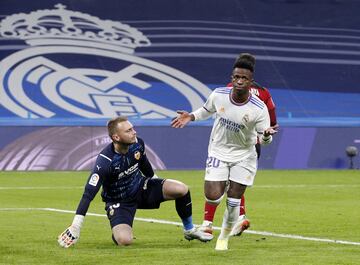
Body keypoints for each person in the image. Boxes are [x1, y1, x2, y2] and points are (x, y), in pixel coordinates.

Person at [171, 55, 277, 250]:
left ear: (250, 81)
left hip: (244, 155)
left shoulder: (258, 107)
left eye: (244, 78)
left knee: (233, 200)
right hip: (218, 151)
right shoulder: (219, 94)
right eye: (236, 77)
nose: (239, 81)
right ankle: (209, 224)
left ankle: (223, 238)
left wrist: (268, 135)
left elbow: (265, 139)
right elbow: (206, 110)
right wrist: (191, 116)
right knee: (212, 194)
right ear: (232, 77)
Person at [58, 116, 212, 248]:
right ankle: (117, 231)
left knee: (181, 189)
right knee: (124, 241)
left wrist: (155, 181)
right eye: (129, 131)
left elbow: (144, 163)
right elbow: (88, 194)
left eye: (132, 128)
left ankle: (189, 230)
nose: (134, 132)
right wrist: (76, 226)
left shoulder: (138, 144)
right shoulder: (105, 161)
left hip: (141, 187)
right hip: (119, 202)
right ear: (116, 137)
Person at [200, 53, 279, 238]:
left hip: (229, 141)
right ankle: (240, 217)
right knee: (235, 182)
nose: (240, 80)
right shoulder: (264, 92)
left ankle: (208, 224)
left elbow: (222, 109)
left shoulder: (229, 89)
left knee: (224, 181)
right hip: (254, 142)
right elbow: (272, 119)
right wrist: (265, 133)